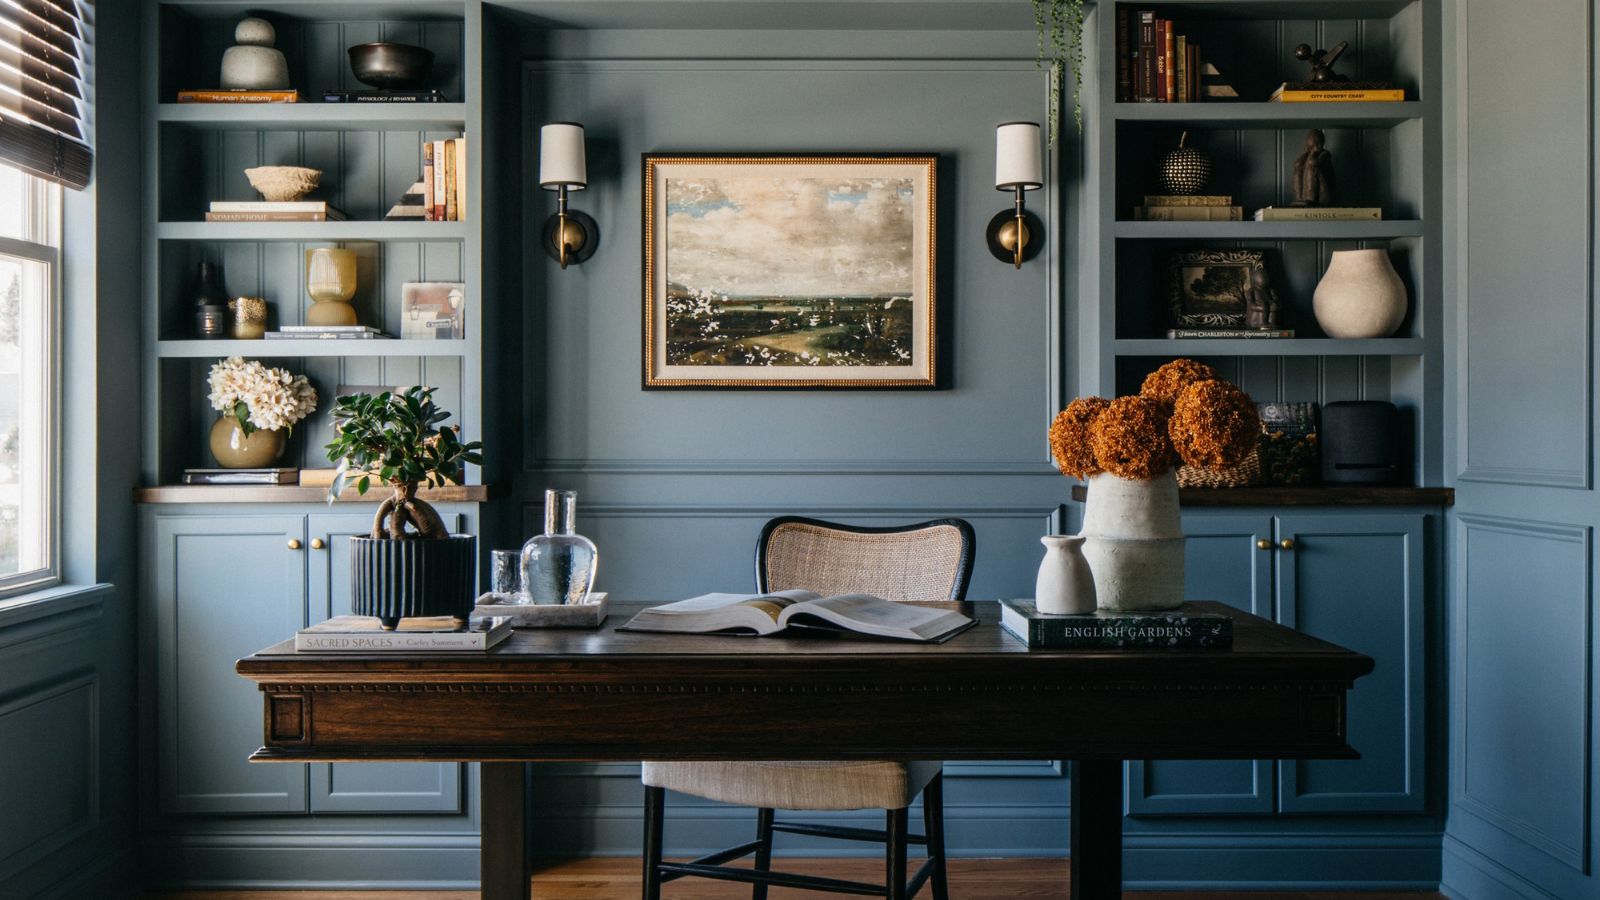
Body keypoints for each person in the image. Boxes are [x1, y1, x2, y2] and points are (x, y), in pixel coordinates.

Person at [1292, 129, 1335, 207]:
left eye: (1311, 147)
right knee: (1298, 168)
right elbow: (1296, 164)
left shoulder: (1325, 154)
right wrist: (1306, 153)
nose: (1309, 148)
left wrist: (1313, 151)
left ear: (1319, 145)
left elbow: (1312, 163)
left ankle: (1309, 199)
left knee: (1311, 168)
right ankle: (1299, 199)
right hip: (1308, 196)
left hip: (1322, 196)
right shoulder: (1309, 156)